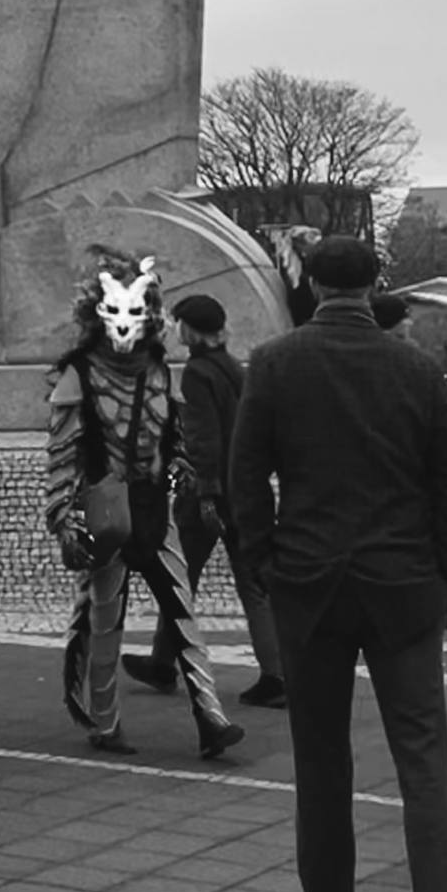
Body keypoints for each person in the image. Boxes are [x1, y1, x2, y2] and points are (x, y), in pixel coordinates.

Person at [230, 236, 447, 892]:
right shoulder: (415, 368)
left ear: (309, 284)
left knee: (321, 764)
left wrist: (267, 563)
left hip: (311, 584)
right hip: (403, 585)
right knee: (425, 769)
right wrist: (444, 577)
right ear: (375, 283)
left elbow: (243, 479)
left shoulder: (274, 362)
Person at [45, 249, 243, 761]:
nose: (126, 325)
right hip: (106, 510)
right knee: (104, 619)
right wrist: (64, 520)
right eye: (115, 312)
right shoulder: (79, 377)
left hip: (153, 507)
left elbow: (170, 435)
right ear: (96, 316)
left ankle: (211, 718)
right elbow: (62, 454)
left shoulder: (158, 372)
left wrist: (182, 466)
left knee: (183, 614)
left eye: (137, 312)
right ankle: (105, 721)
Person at [125, 293, 284, 709]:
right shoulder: (234, 367)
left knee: (177, 578)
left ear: (190, 330)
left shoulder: (196, 373)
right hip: (247, 491)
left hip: (209, 495)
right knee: (253, 585)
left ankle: (163, 663)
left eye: (178, 322)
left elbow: (204, 439)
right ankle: (277, 673)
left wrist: (207, 493)